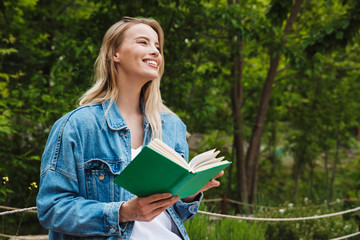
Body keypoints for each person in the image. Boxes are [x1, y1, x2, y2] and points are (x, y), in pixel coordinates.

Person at [37, 16, 224, 240]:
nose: (155, 51)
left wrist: (188, 194)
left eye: (157, 46)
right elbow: (51, 209)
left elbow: (172, 216)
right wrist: (123, 212)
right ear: (114, 54)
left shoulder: (172, 126)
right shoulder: (77, 126)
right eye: (143, 42)